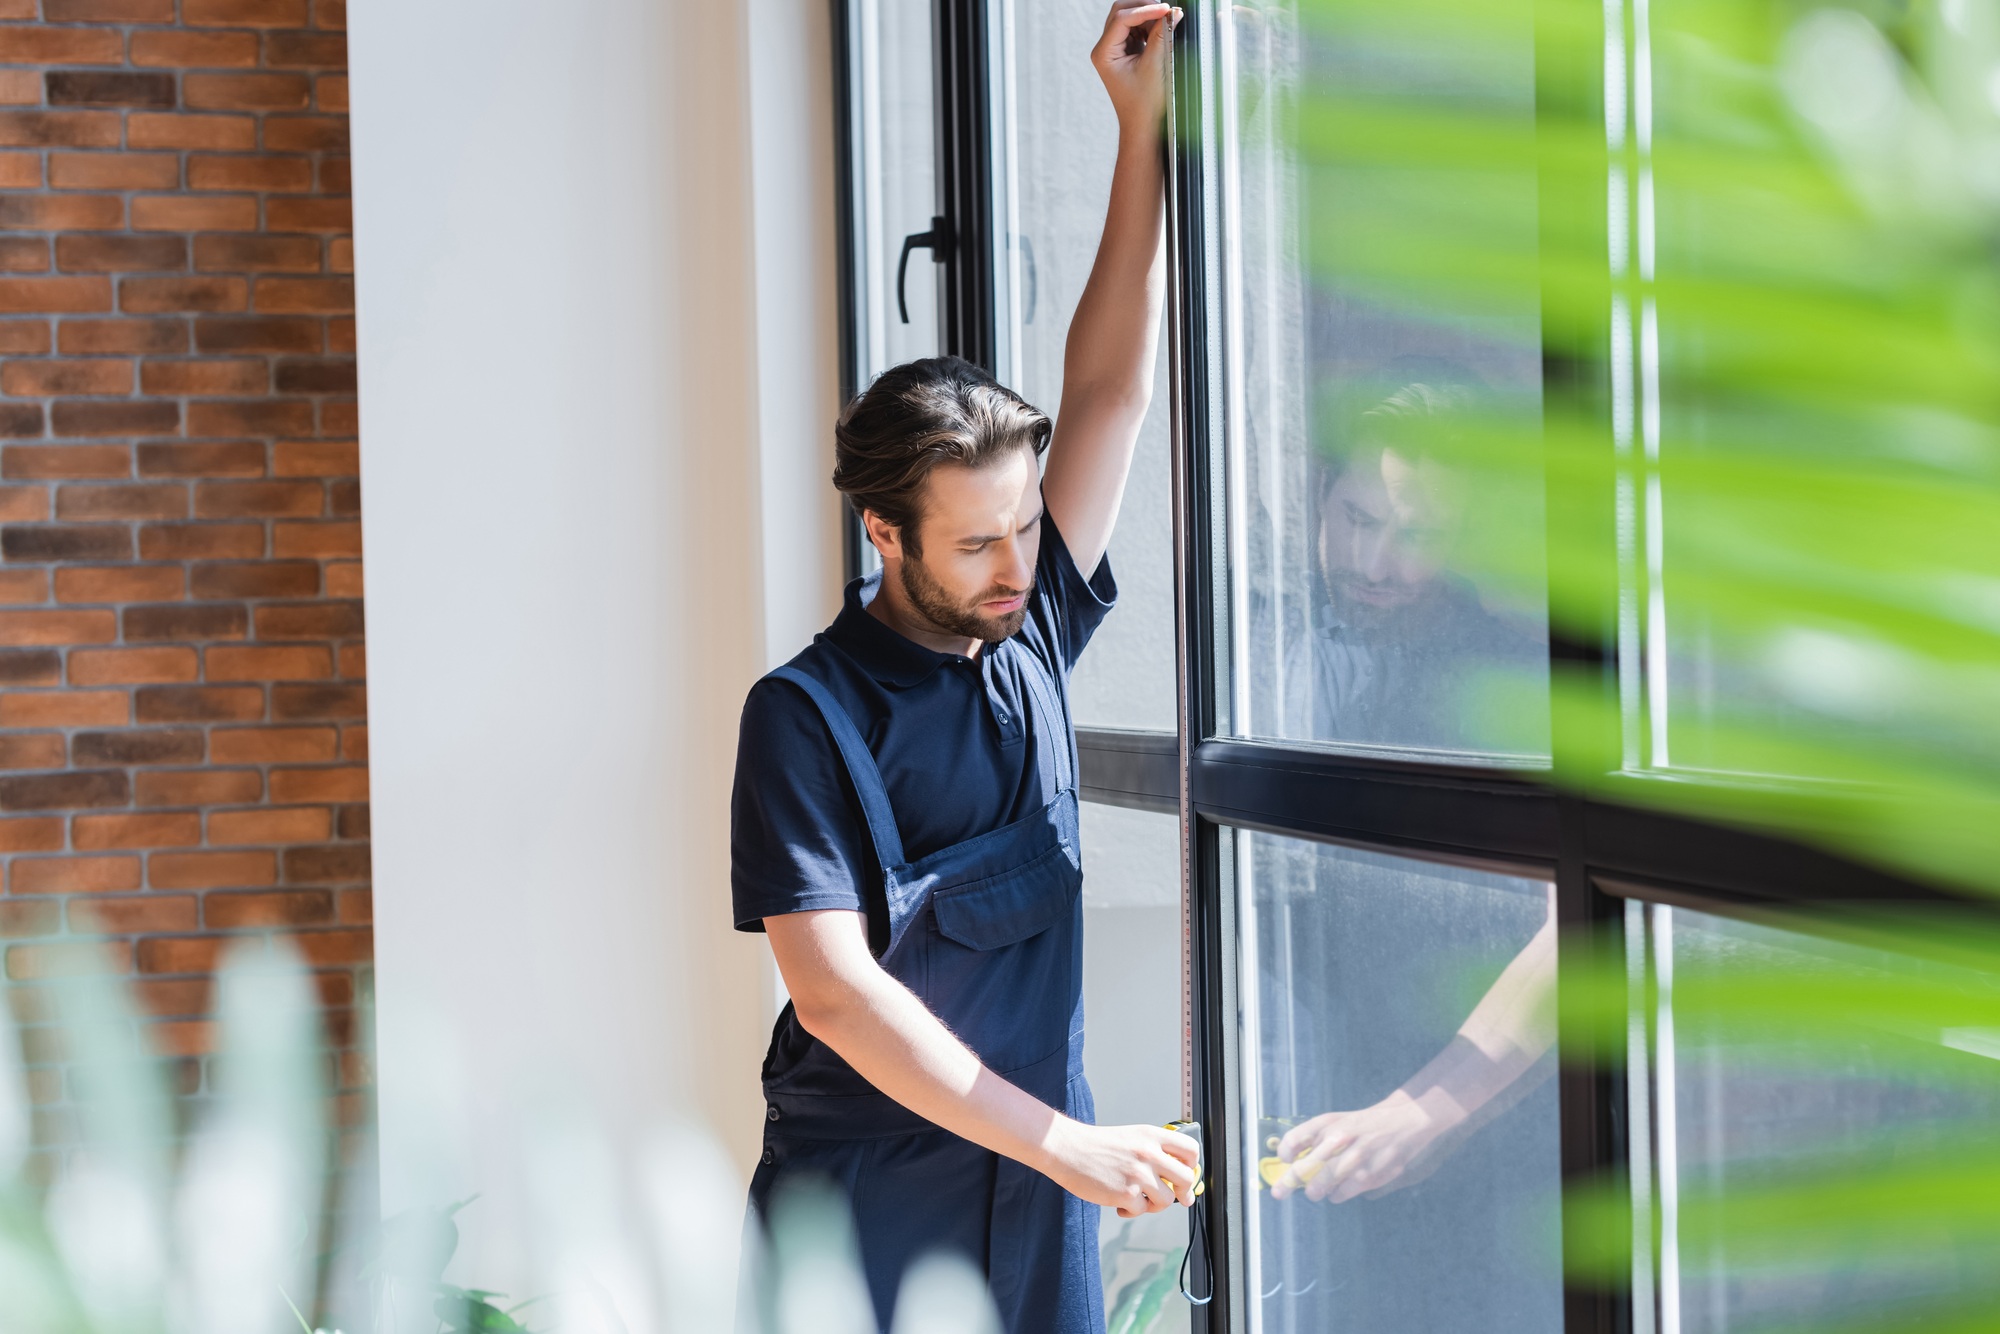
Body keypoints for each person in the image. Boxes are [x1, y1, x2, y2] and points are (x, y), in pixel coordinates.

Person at [727, 6, 1195, 1331]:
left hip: (1034, 1200)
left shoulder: (1028, 626)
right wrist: (1064, 1142)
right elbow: (837, 990)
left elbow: (1107, 394)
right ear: (884, 533)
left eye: (1027, 526)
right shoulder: (804, 718)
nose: (1014, 563)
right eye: (977, 541)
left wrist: (1140, 132)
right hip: (865, 1214)